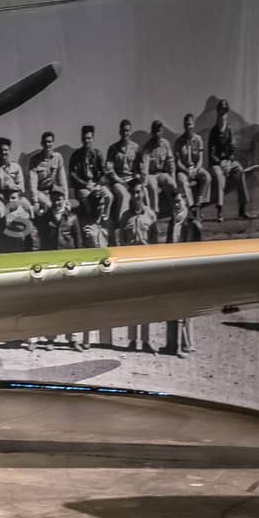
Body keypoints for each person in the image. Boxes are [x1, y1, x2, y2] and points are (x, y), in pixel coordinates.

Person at [117, 192, 157, 351]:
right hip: (130, 262)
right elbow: (120, 238)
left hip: (146, 262)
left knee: (146, 302)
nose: (137, 199)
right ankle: (132, 340)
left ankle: (146, 340)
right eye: (135, 197)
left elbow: (155, 241)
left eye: (140, 196)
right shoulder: (125, 216)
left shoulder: (151, 215)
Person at [208, 99, 249, 220]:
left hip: (228, 162)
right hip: (216, 164)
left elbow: (232, 148)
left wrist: (229, 161)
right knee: (220, 178)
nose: (223, 114)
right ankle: (220, 210)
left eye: (225, 112)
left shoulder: (229, 130)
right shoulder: (213, 131)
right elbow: (211, 152)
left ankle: (242, 209)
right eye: (221, 111)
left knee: (240, 170)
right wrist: (220, 163)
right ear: (217, 113)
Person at [141, 119, 182, 236]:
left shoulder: (165, 144)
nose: (158, 134)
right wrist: (144, 183)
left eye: (160, 131)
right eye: (156, 132)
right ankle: (155, 223)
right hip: (150, 175)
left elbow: (170, 161)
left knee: (171, 183)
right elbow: (144, 165)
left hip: (161, 174)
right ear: (152, 133)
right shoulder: (147, 147)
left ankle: (176, 216)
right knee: (153, 188)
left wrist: (172, 177)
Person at [67, 125, 108, 227]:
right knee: (86, 200)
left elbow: (104, 173)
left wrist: (98, 184)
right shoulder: (76, 155)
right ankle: (90, 223)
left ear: (93, 138)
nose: (87, 141)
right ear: (81, 139)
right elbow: (73, 174)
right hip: (82, 186)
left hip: (96, 184)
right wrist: (86, 184)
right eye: (84, 138)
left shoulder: (98, 154)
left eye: (89, 138)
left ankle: (105, 223)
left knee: (108, 196)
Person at [173, 112, 211, 221]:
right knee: (181, 180)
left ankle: (199, 204)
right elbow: (178, 162)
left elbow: (200, 159)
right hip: (183, 169)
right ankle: (191, 208)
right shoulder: (178, 142)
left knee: (207, 177)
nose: (188, 127)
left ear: (193, 125)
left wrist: (196, 169)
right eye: (186, 124)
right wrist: (186, 171)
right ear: (184, 126)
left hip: (195, 168)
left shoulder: (198, 139)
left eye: (190, 124)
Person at [105, 119, 141, 225]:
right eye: (123, 131)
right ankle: (121, 225)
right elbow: (109, 170)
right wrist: (120, 181)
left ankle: (143, 221)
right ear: (120, 132)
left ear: (130, 131)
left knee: (142, 193)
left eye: (127, 131)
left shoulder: (136, 148)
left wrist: (138, 177)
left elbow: (140, 166)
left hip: (132, 179)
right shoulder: (113, 148)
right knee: (124, 195)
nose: (125, 133)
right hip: (117, 181)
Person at [0, 137, 26, 209]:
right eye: (1, 150)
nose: (3, 152)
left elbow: (21, 187)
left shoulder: (16, 167)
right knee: (0, 211)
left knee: (27, 209)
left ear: (10, 150)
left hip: (14, 195)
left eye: (5, 150)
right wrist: (2, 197)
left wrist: (13, 195)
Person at [28, 131, 66, 207]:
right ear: (41, 143)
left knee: (61, 205)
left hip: (52, 190)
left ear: (53, 143)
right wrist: (35, 201)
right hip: (39, 191)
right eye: (45, 142)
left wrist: (65, 198)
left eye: (49, 142)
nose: (47, 144)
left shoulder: (57, 157)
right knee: (49, 205)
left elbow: (62, 180)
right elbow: (33, 182)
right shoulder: (34, 160)